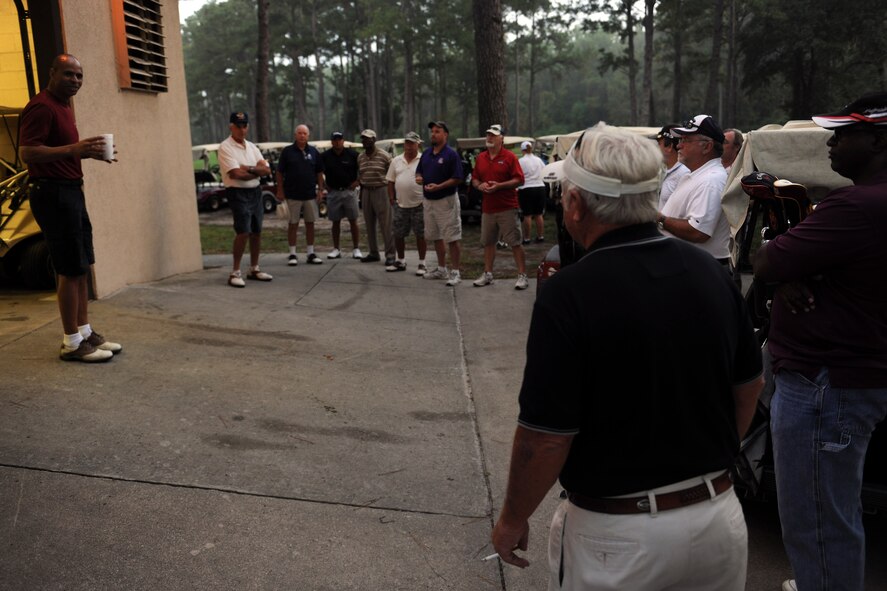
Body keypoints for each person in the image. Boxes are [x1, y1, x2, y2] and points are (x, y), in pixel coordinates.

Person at [491, 123, 763, 590]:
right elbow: (747, 387)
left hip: (620, 535)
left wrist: (513, 518)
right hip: (717, 517)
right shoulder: (711, 273)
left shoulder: (570, 294)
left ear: (576, 204)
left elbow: (546, 438)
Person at [753, 92, 887, 591]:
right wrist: (796, 266)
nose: (831, 143)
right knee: (836, 510)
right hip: (854, 379)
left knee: (818, 525)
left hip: (825, 386)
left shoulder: (857, 205)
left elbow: (767, 262)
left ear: (878, 139)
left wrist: (786, 264)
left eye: (844, 133)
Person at [19, 53, 122, 362]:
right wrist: (74, 149)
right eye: (68, 74)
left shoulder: (63, 107)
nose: (75, 80)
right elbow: (28, 152)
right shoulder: (42, 106)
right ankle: (71, 343)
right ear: (52, 73)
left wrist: (85, 154)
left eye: (79, 75)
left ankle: (85, 332)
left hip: (70, 192)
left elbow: (58, 152)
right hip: (53, 195)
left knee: (80, 264)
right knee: (67, 267)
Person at [657, 114, 732, 269]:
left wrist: (659, 219)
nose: (678, 145)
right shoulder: (698, 176)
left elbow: (698, 232)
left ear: (707, 146)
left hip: (702, 270)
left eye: (686, 140)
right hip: (693, 267)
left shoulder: (711, 180)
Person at [217, 111, 272, 287]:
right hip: (238, 193)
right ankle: (235, 272)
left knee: (256, 231)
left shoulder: (252, 147)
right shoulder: (225, 147)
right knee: (243, 232)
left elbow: (266, 170)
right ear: (231, 127)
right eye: (238, 126)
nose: (242, 130)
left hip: (255, 192)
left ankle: (254, 268)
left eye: (244, 126)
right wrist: (256, 171)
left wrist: (248, 169)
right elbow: (235, 174)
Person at [470, 125, 529, 290]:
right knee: (488, 242)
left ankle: (522, 275)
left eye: (494, 135)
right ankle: (488, 274)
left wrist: (499, 186)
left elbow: (519, 180)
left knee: (515, 242)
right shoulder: (481, 157)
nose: (489, 138)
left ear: (501, 138)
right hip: (488, 208)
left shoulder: (509, 157)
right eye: (488, 135)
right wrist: (479, 185)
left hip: (507, 207)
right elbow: (474, 178)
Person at [415, 121, 464, 286]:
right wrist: (419, 177)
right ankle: (441, 269)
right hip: (429, 201)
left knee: (452, 237)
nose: (433, 134)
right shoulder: (427, 153)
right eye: (432, 131)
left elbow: (457, 178)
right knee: (435, 236)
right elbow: (419, 170)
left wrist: (439, 186)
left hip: (446, 201)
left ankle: (456, 272)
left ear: (445, 135)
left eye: (437, 131)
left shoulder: (451, 154)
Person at [276, 124, 324, 266]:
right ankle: (292, 254)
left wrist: (320, 189)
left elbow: (319, 172)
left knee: (310, 223)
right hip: (292, 194)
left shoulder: (314, 152)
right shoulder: (287, 152)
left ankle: (310, 253)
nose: (302, 135)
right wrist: (280, 189)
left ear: (308, 136)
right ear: (295, 135)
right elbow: (279, 172)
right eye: (300, 133)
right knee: (293, 224)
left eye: (305, 133)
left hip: (310, 194)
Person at [384, 131, 427, 274]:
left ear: (418, 144)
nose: (409, 146)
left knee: (420, 234)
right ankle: (400, 261)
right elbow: (390, 181)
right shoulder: (396, 160)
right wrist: (391, 198)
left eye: (412, 143)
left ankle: (422, 263)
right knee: (398, 233)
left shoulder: (424, 159)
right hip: (400, 204)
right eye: (407, 143)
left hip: (419, 204)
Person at [320, 132, 362, 259]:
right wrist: (324, 185)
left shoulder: (353, 155)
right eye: (335, 140)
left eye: (339, 140)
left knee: (353, 220)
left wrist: (357, 182)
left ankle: (356, 248)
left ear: (343, 141)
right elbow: (319, 171)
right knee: (335, 222)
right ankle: (336, 249)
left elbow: (363, 168)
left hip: (349, 192)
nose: (337, 142)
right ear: (331, 142)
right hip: (333, 192)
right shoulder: (325, 156)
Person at [357, 129, 394, 265]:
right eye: (363, 139)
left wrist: (392, 194)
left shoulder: (384, 156)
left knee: (386, 224)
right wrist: (361, 194)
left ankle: (390, 254)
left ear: (374, 140)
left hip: (381, 190)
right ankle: (373, 252)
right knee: (369, 224)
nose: (365, 141)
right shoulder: (360, 157)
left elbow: (391, 177)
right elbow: (361, 175)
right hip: (366, 191)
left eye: (367, 138)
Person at [517, 140, 546, 245]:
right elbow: (545, 171)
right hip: (540, 187)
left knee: (527, 215)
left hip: (526, 188)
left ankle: (527, 238)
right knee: (539, 214)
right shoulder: (538, 160)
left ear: (522, 150)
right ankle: (540, 236)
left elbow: (518, 175)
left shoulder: (521, 161)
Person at [655, 123, 689, 209]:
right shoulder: (668, 171)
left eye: (659, 144)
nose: (656, 148)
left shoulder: (684, 174)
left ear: (669, 147)